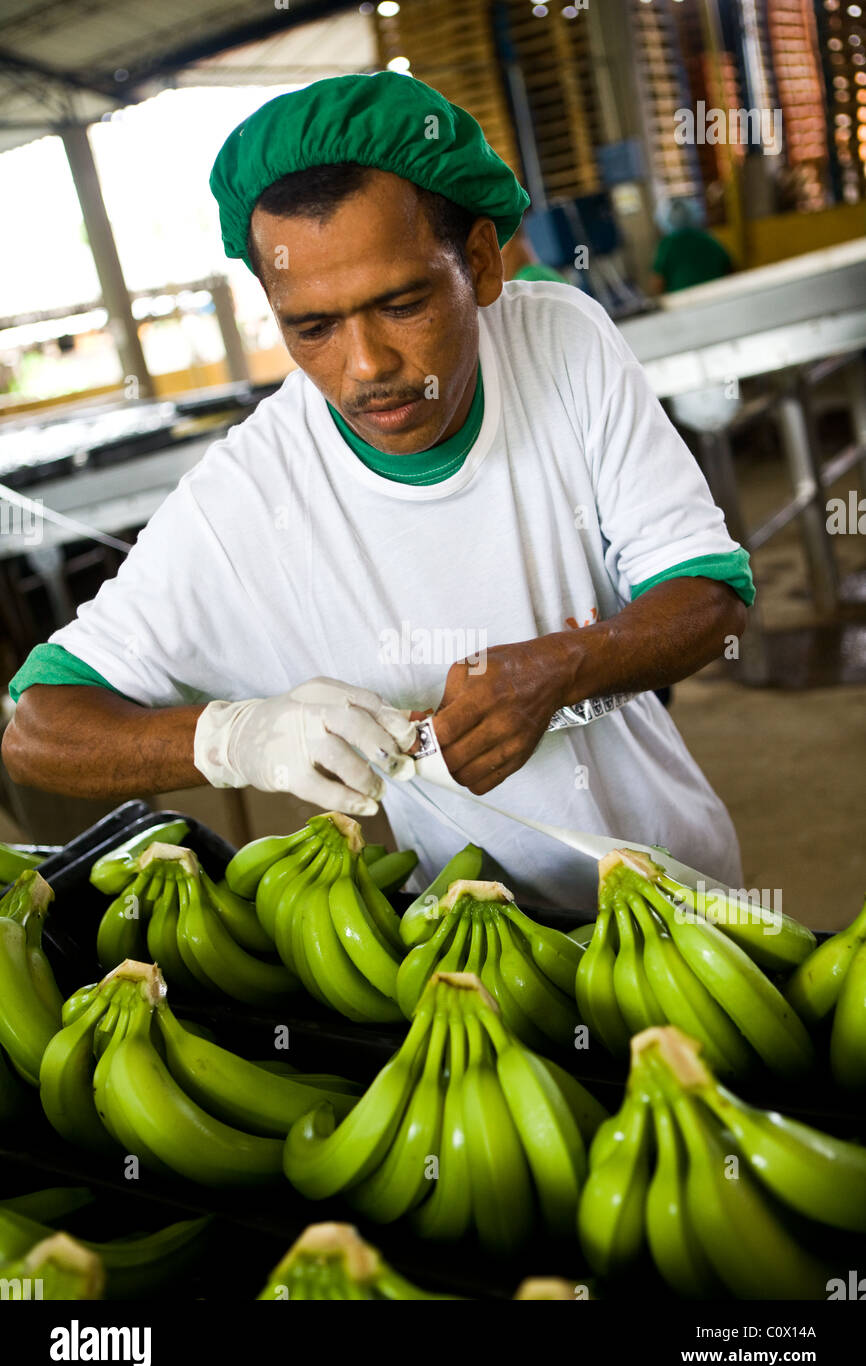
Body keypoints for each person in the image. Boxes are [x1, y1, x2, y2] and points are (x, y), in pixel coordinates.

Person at [2, 73, 754, 912]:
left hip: (689, 883)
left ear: (477, 262)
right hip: (480, 938)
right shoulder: (251, 494)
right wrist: (235, 738)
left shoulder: (561, 342)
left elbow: (710, 598)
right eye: (312, 327)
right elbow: (37, 729)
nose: (365, 368)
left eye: (401, 304)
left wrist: (564, 664)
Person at [650, 197, 733, 296]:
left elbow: (657, 282)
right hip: (716, 296)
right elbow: (729, 267)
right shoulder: (707, 238)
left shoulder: (667, 245)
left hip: (683, 301)